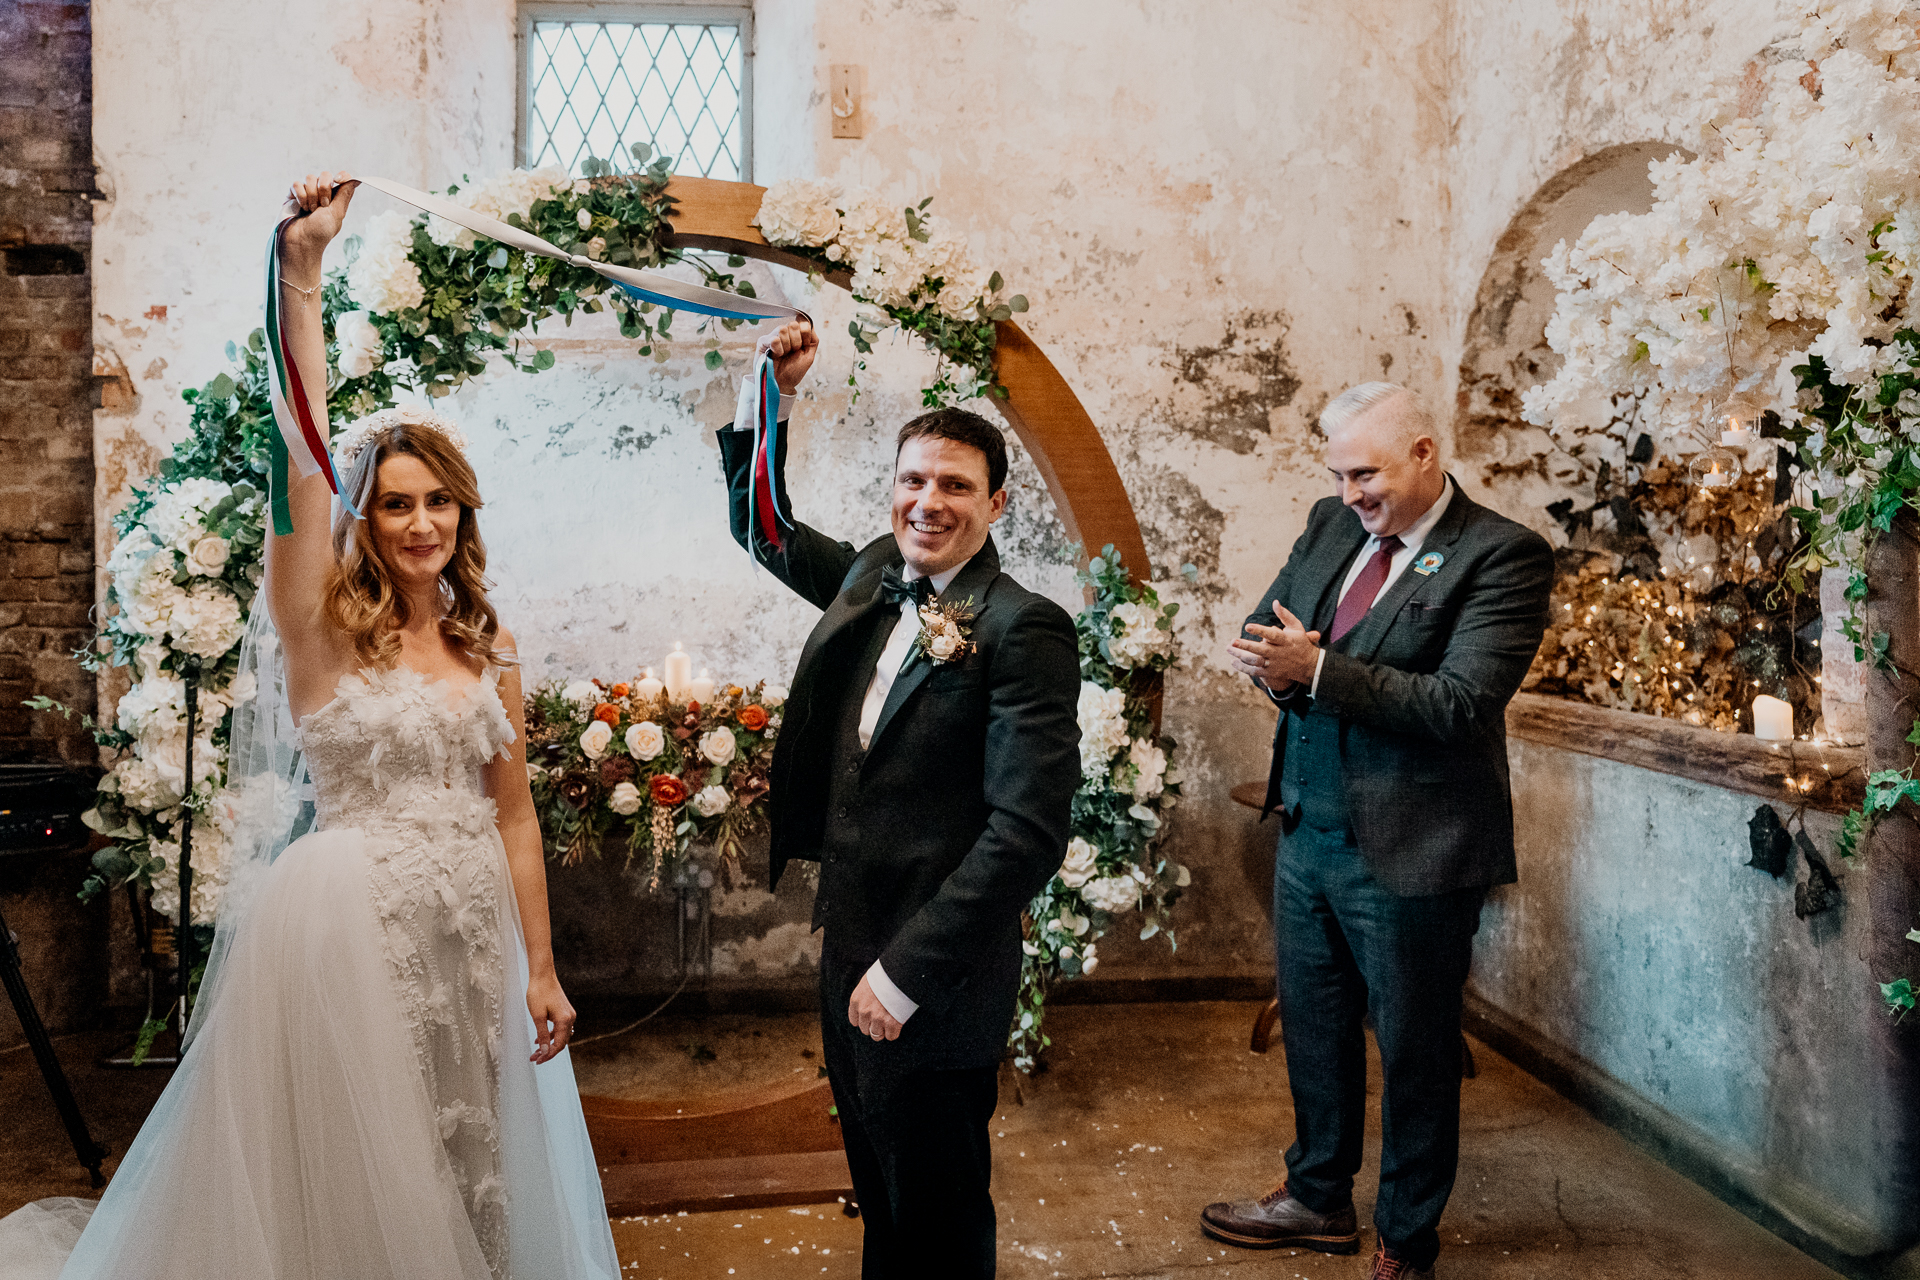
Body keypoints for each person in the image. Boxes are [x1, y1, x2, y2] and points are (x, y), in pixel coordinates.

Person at [0, 173, 620, 1280]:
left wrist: (542, 964)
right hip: (346, 920)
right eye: (396, 501)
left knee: (462, 1145)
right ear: (363, 517)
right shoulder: (318, 627)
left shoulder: (493, 645)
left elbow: (514, 814)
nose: (421, 520)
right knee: (360, 1158)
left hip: (471, 922)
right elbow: (299, 460)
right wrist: (302, 274)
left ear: (462, 512)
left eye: (440, 500)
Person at [718, 320, 1081, 1279]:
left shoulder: (1023, 629)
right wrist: (773, 396)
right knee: (880, 1186)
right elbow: (764, 528)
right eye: (912, 481)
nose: (929, 502)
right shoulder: (877, 577)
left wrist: (908, 972)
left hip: (937, 968)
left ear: (997, 503)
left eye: (956, 485)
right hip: (851, 942)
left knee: (939, 1206)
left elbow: (1029, 830)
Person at [1201, 383, 1553, 1280]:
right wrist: (1279, 676)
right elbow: (1266, 633)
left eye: (1369, 473)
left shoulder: (1502, 556)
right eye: (1340, 473)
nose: (1352, 493)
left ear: (1427, 455)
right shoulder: (1330, 524)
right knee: (1315, 1028)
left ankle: (1407, 1238)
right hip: (1310, 826)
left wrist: (1316, 670)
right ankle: (1317, 1198)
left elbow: (1462, 704)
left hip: (1417, 849)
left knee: (1416, 1050)